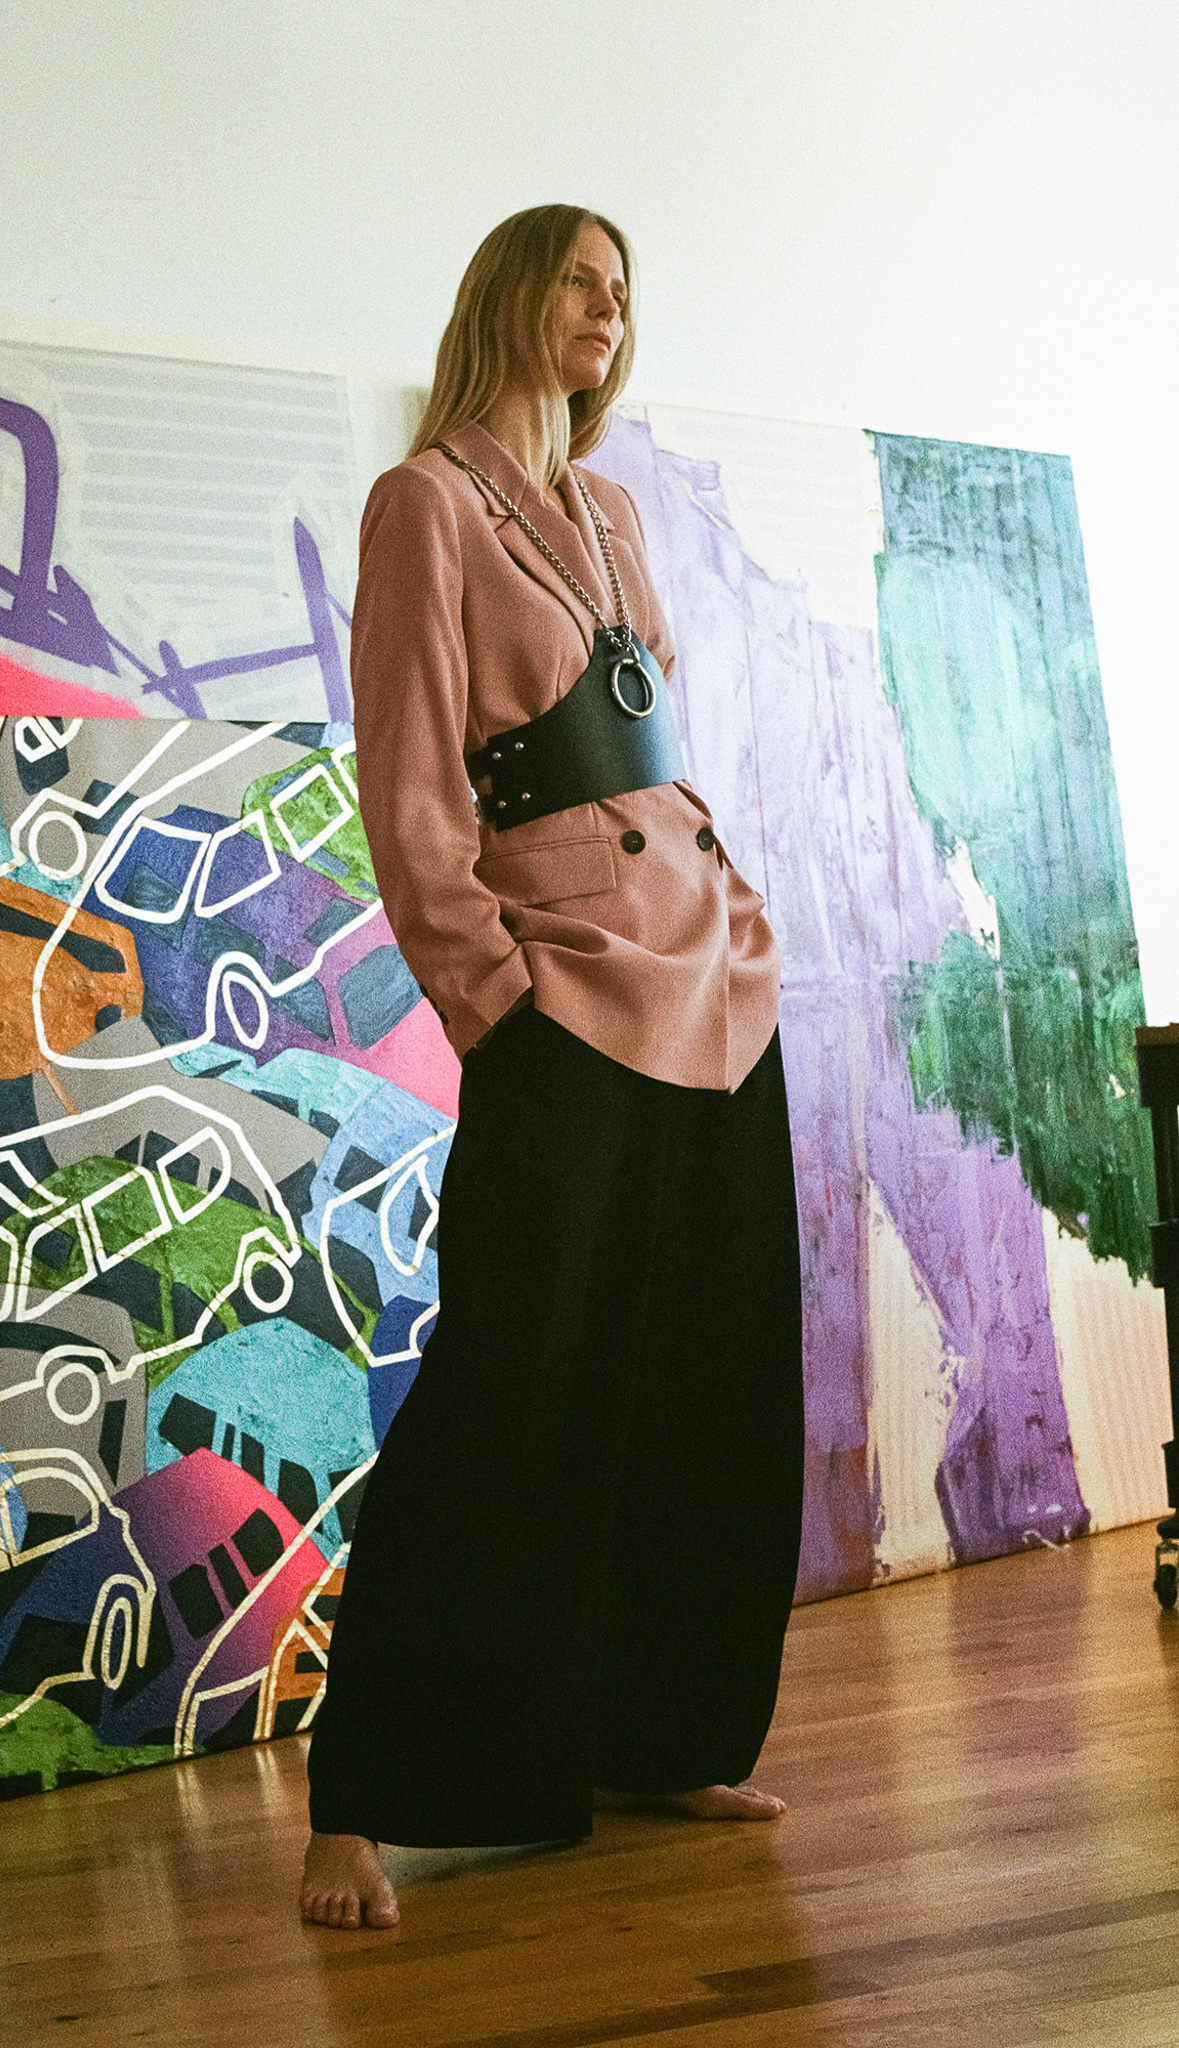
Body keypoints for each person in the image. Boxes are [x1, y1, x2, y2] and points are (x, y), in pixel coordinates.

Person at [299, 204, 804, 1931]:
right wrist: (491, 996)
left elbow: (647, 732)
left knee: (707, 1377)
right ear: (511, 296)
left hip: (716, 977)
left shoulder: (611, 513)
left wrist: (740, 911)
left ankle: (661, 1736)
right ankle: (368, 1798)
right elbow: (412, 783)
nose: (610, 306)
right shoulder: (425, 504)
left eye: (624, 288)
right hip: (569, 987)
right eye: (581, 279)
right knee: (513, 1378)